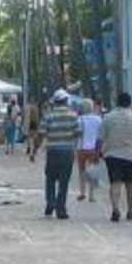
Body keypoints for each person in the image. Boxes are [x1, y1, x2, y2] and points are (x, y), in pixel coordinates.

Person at [100, 90, 132, 222]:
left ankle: (115, 208)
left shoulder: (108, 117)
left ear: (117, 102)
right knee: (131, 184)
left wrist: (99, 152)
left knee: (115, 183)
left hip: (112, 155)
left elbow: (101, 137)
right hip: (131, 155)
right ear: (130, 103)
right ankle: (131, 211)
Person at [35, 88, 81, 218]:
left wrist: (34, 150)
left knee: (50, 178)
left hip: (53, 151)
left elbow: (41, 134)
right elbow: (78, 133)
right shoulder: (73, 115)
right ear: (66, 100)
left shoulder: (48, 115)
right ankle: (61, 208)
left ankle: (50, 202)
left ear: (55, 102)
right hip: (67, 152)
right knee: (64, 181)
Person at [75, 97, 102, 202]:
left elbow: (77, 133)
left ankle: (82, 192)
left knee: (81, 170)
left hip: (81, 147)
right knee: (92, 171)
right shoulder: (98, 119)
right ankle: (92, 195)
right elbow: (100, 135)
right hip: (94, 148)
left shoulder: (79, 119)